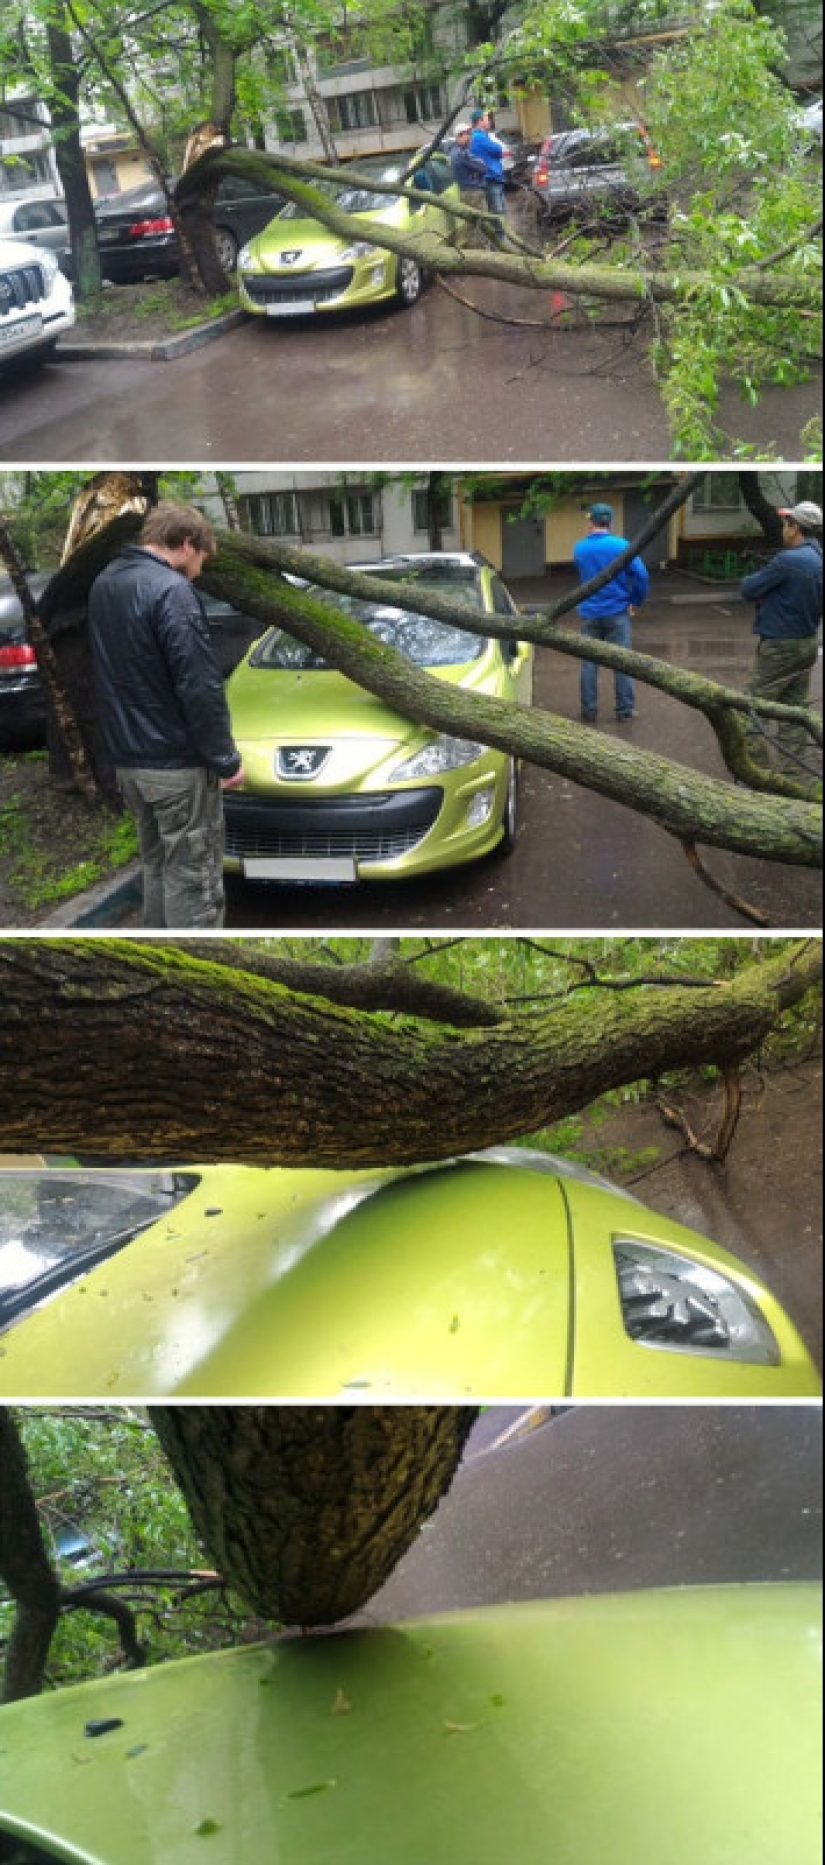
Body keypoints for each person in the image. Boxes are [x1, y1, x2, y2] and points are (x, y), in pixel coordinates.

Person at [88, 501, 245, 928]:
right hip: (175, 765)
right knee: (194, 880)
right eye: (201, 560)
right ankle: (196, 965)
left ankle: (157, 950)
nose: (200, 570)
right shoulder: (172, 591)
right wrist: (226, 759)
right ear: (187, 545)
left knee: (157, 866)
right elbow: (199, 685)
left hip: (129, 762)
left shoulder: (106, 583)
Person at [739, 500, 822, 782]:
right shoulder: (819, 559)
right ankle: (792, 777)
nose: (783, 528)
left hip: (780, 647)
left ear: (795, 527)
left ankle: (757, 776)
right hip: (807, 643)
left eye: (787, 523)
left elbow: (749, 589)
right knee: (792, 715)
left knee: (748, 710)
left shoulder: (789, 560)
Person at [573, 503, 649, 722]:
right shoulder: (622, 545)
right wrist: (636, 601)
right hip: (617, 612)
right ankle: (624, 711)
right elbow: (641, 575)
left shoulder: (580, 548)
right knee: (622, 662)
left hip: (590, 613)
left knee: (589, 663)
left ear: (590, 522)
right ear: (610, 522)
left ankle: (589, 710)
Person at [448, 122, 487, 246]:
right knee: (479, 225)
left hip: (466, 192)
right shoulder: (461, 154)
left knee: (471, 225)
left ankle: (475, 253)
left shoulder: (454, 152)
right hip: (473, 193)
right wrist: (478, 170)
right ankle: (481, 255)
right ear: (459, 136)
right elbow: (483, 167)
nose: (470, 137)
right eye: (467, 134)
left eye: (470, 133)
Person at [470, 107, 507, 219]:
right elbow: (498, 150)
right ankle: (500, 236)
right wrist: (497, 151)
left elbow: (498, 151)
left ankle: (503, 235)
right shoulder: (478, 137)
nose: (489, 121)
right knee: (497, 213)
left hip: (495, 178)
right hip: (490, 179)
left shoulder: (483, 136)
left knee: (501, 212)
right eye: (487, 119)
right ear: (480, 121)